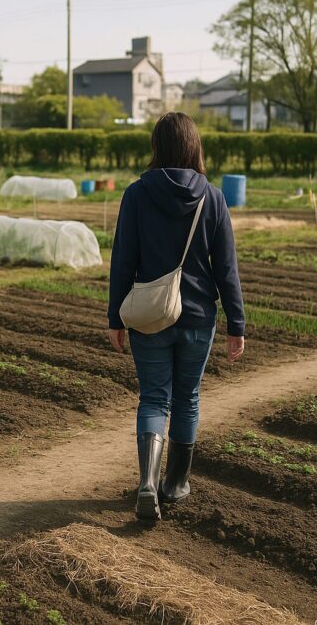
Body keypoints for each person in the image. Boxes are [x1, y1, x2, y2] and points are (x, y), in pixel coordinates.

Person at [107, 112, 245, 524]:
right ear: (194, 147)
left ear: (157, 146)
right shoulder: (214, 197)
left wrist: (116, 315)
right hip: (199, 318)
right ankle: (175, 484)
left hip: (150, 318)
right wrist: (236, 324)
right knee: (187, 398)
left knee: (153, 398)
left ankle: (147, 482)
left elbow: (122, 260)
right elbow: (227, 268)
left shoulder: (136, 194)